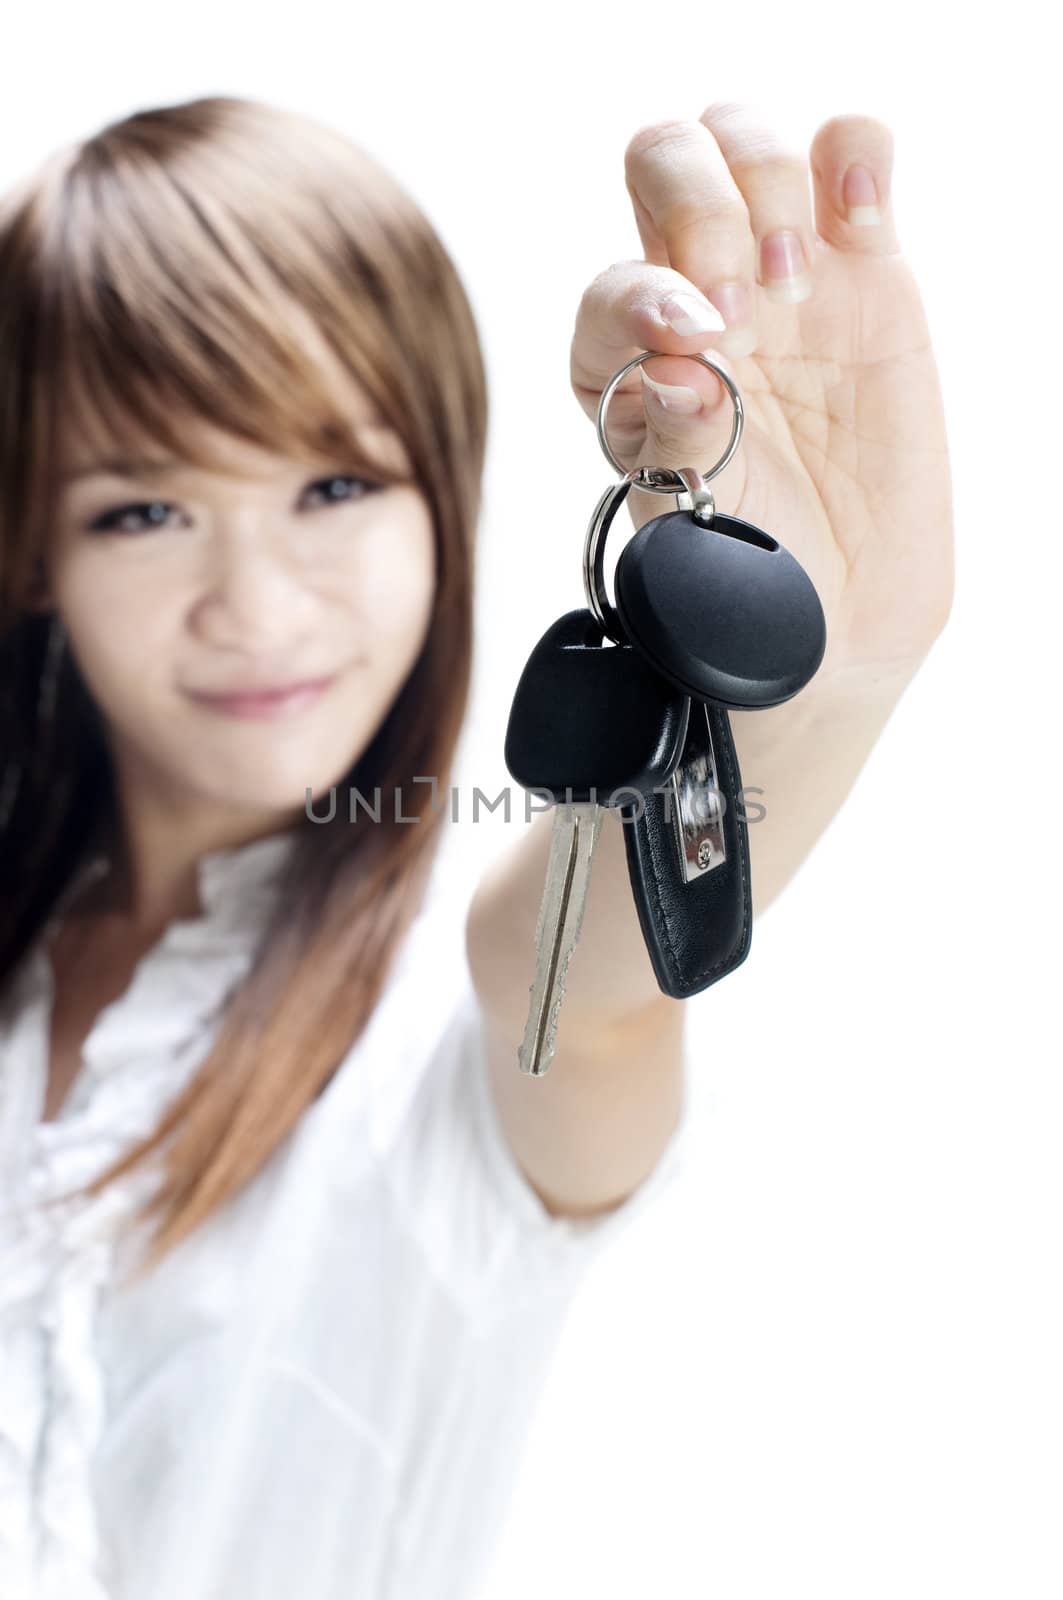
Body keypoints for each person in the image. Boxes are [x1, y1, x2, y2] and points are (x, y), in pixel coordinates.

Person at [0, 94, 954, 1599]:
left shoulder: (436, 1031)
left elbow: (579, 1000)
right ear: (30, 548)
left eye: (332, 486)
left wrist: (820, 681)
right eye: (144, 510)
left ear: (441, 499)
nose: (254, 601)